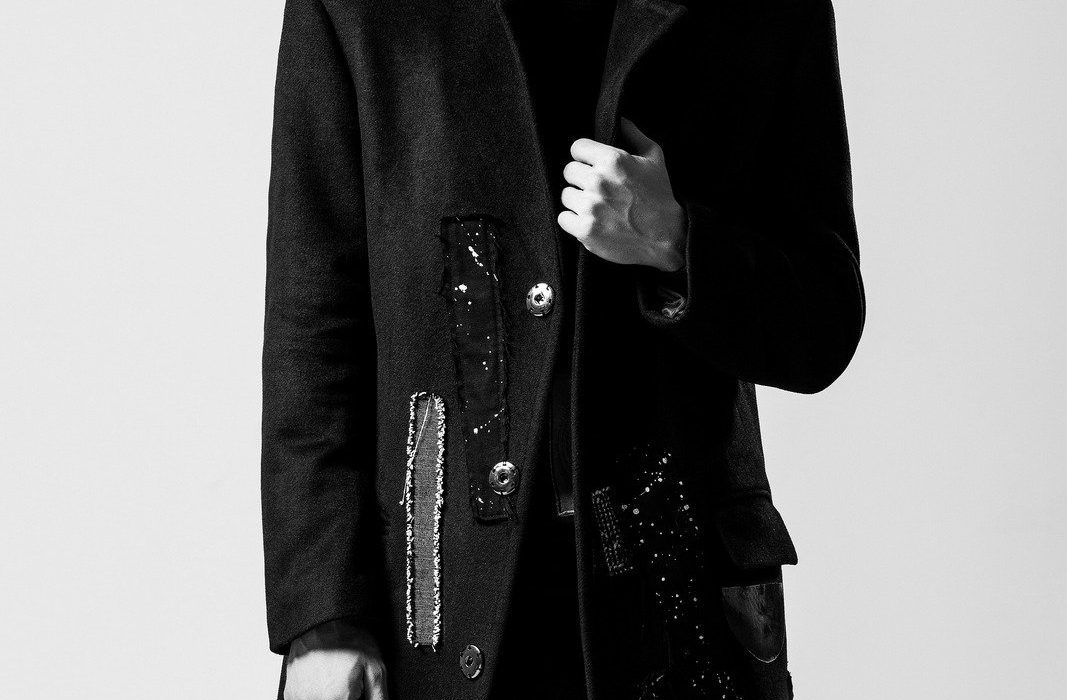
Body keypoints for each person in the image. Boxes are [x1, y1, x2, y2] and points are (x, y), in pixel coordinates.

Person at [261, 0, 865, 698]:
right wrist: (323, 617)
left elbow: (823, 322)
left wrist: (677, 244)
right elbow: (313, 320)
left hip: (678, 608)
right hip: (434, 613)